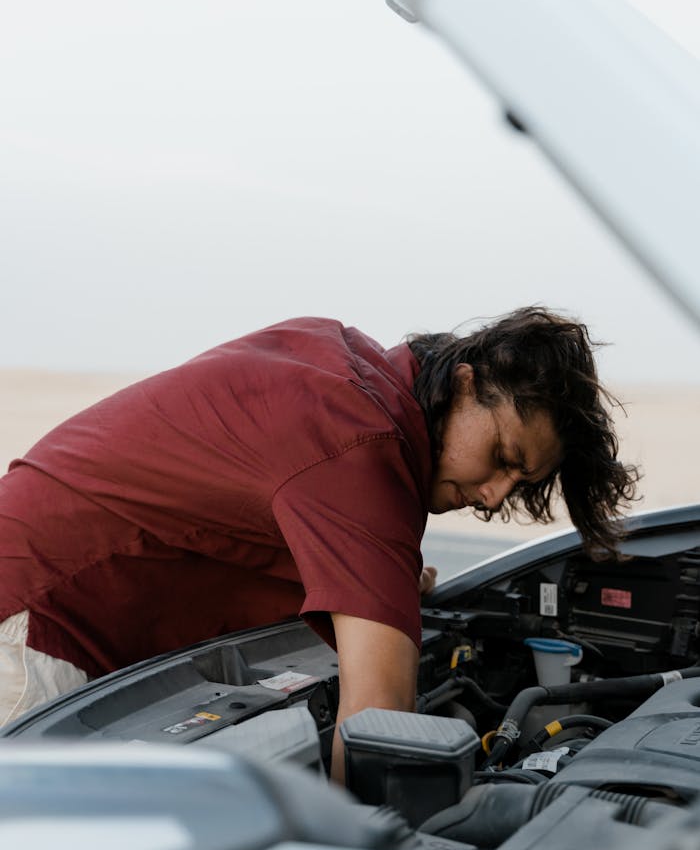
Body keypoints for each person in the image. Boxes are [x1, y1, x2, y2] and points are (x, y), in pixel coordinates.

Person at [0, 307, 638, 780]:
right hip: (36, 624)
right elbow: (379, 725)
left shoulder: (332, 354)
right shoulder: (361, 445)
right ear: (466, 383)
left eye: (520, 482)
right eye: (502, 456)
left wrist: (375, 585)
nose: (495, 495)